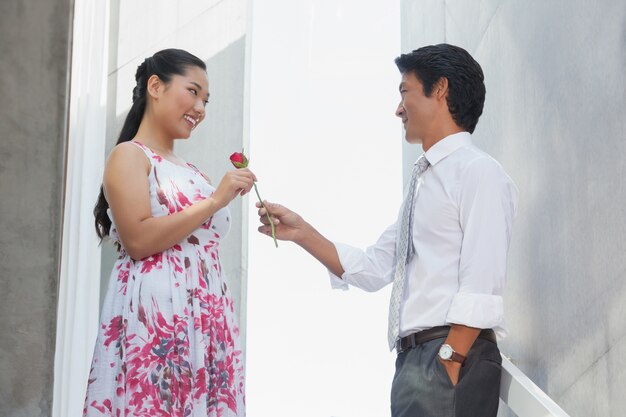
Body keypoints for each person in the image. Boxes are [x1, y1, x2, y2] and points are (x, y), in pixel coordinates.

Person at [256, 44, 518, 417]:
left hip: (448, 355)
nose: (398, 108)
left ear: (440, 89)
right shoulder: (424, 185)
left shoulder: (478, 172)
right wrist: (301, 232)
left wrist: (450, 357)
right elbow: (374, 268)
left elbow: (483, 277)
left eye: (404, 91)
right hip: (413, 362)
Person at [85, 49, 254, 417]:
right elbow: (139, 240)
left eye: (205, 99)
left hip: (207, 323)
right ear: (156, 86)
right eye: (192, 92)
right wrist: (214, 202)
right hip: (157, 323)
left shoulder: (192, 171)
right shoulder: (129, 156)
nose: (200, 108)